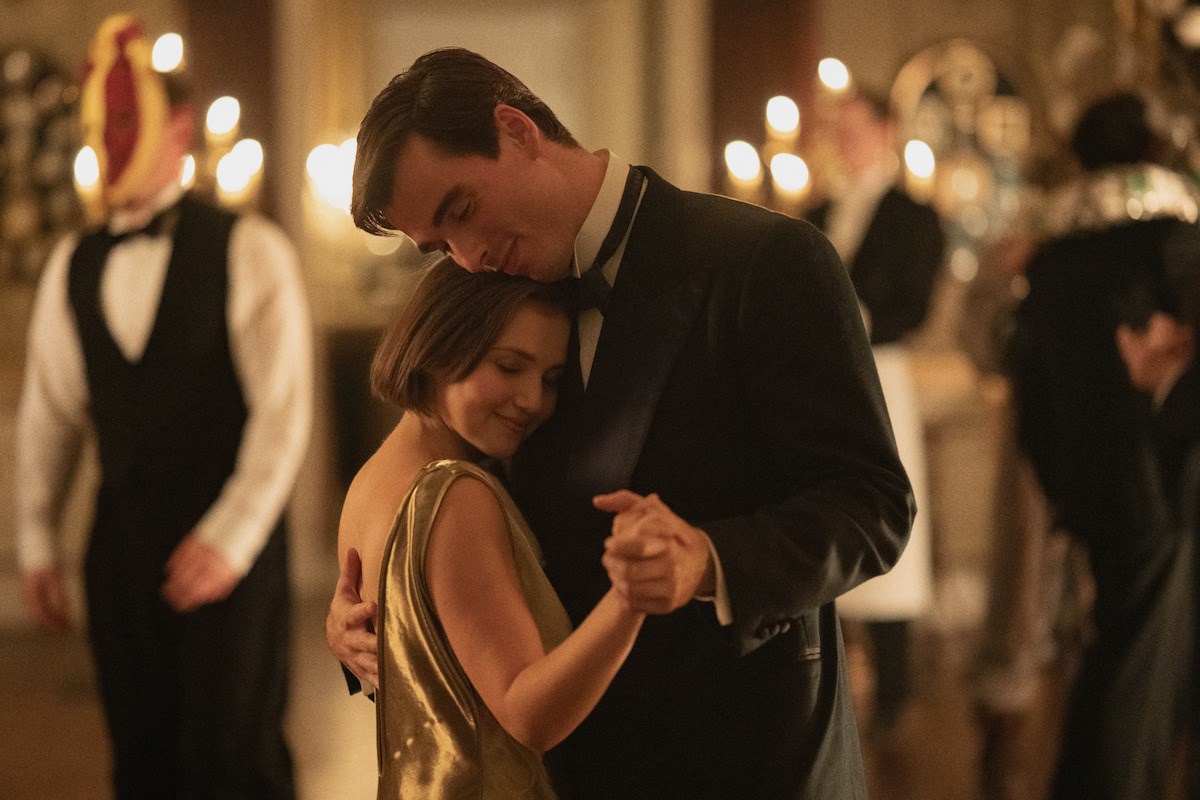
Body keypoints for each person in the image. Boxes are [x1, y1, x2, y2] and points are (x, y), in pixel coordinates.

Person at [327, 47, 913, 799]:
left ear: (517, 130)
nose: (467, 258)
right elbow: (446, 498)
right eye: (439, 246)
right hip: (569, 769)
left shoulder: (765, 261)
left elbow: (873, 505)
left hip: (748, 756)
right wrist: (371, 619)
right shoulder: (491, 292)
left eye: (461, 211)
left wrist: (710, 561)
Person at [15, 15, 311, 800]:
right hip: (118, 549)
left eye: (120, 121)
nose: (103, 142)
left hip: (232, 548)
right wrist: (36, 536)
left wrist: (232, 536)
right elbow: (51, 411)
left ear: (178, 126)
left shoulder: (252, 250)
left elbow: (283, 414)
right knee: (138, 758)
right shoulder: (73, 263)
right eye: (94, 127)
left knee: (235, 758)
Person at [340, 258, 647, 798]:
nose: (532, 400)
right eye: (508, 367)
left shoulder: (371, 480)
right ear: (437, 346)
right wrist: (634, 595)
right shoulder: (453, 494)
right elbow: (528, 715)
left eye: (550, 380)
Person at [1007, 90, 1200, 800]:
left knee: (1115, 645)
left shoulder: (1053, 257)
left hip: (1084, 482)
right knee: (1140, 670)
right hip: (1160, 480)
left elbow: (1027, 380)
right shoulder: (1173, 242)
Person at [807, 89, 944, 742]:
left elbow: (914, 306)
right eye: (840, 129)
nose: (846, 141)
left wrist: (852, 318)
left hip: (881, 373)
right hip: (818, 379)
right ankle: (823, 669)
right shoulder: (817, 211)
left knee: (888, 505)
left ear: (887, 131)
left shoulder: (914, 217)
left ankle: (894, 689)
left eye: (857, 129)